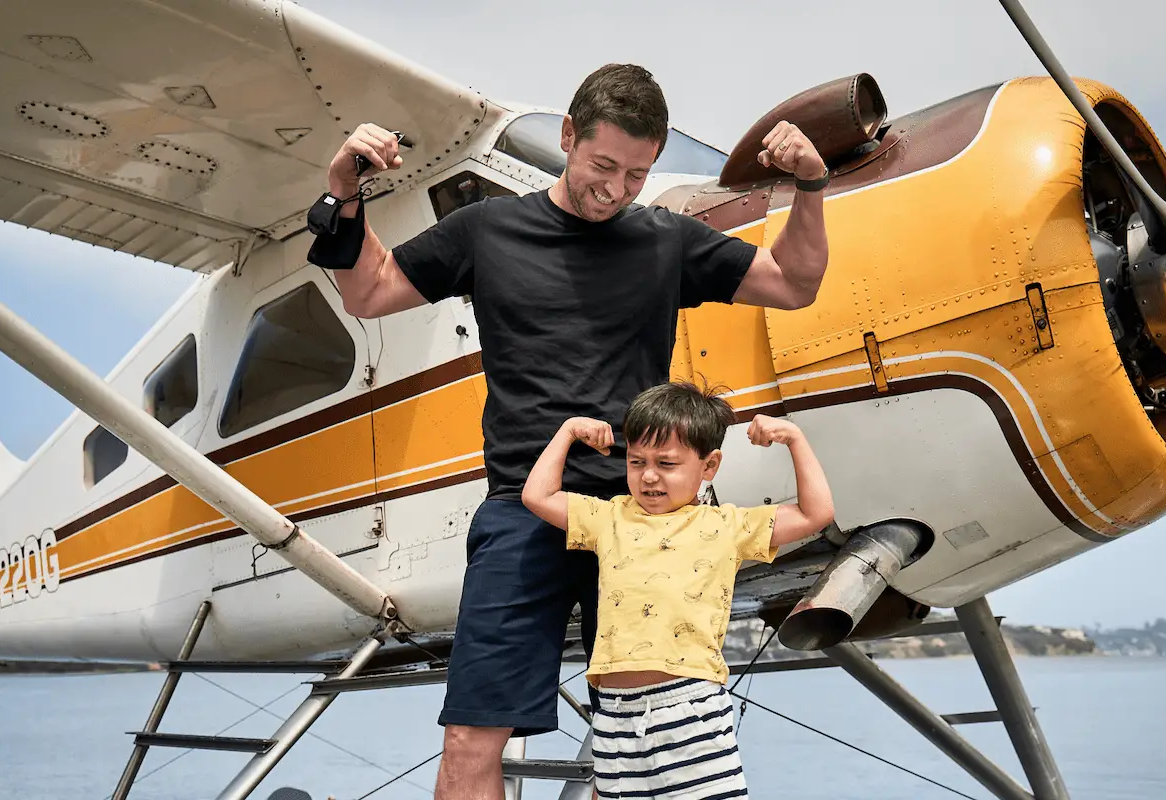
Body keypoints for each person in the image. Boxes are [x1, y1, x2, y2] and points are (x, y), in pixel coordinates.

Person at [305, 63, 832, 799]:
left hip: (646, 515)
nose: (617, 189)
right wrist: (344, 195)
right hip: (527, 507)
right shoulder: (486, 231)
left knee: (671, 742)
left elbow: (793, 282)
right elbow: (368, 290)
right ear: (567, 139)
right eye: (603, 165)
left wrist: (809, 189)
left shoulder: (665, 241)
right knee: (467, 743)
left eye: (638, 174)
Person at [521, 381, 835, 798]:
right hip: (614, 713)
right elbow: (537, 495)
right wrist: (567, 432)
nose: (649, 476)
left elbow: (817, 512)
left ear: (709, 466)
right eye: (636, 462)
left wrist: (794, 438)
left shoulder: (727, 525)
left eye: (667, 464)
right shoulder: (609, 517)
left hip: (688, 706)